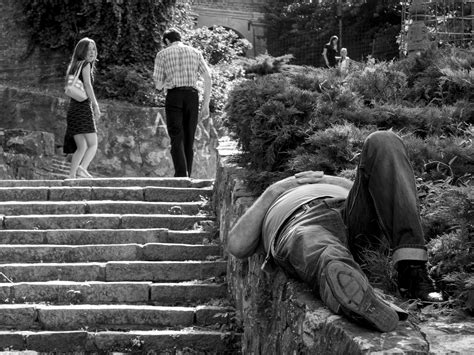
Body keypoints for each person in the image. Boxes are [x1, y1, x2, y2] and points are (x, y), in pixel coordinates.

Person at [227, 130, 442, 333]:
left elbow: (378, 191)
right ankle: (356, 295)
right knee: (314, 242)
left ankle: (412, 270)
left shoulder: (339, 184)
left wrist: (329, 180)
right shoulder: (274, 196)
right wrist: (278, 188)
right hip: (299, 223)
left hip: (348, 214)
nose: (306, 176)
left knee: (383, 140)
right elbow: (237, 244)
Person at [153, 28, 212, 178]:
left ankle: (180, 175)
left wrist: (166, 80)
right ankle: (188, 175)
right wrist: (205, 104)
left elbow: (158, 85)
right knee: (189, 137)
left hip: (174, 96)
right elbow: (208, 77)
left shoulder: (162, 54)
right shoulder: (195, 52)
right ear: (179, 38)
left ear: (166, 41)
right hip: (192, 95)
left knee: (176, 135)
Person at [64, 37, 100, 179]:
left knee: (81, 147)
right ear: (81, 51)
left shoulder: (74, 65)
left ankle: (72, 176)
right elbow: (87, 85)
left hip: (72, 109)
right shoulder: (85, 65)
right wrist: (95, 104)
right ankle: (82, 169)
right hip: (83, 108)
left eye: (93, 49)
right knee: (93, 144)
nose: (92, 52)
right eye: (88, 49)